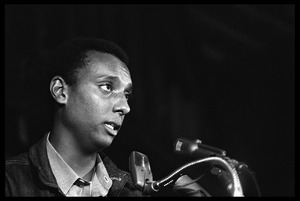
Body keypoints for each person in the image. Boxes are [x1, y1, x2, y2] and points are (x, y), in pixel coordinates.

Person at [5, 37, 144, 197]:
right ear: (60, 91)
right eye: (107, 87)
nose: (125, 107)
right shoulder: (10, 181)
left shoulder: (131, 192)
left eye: (126, 95)